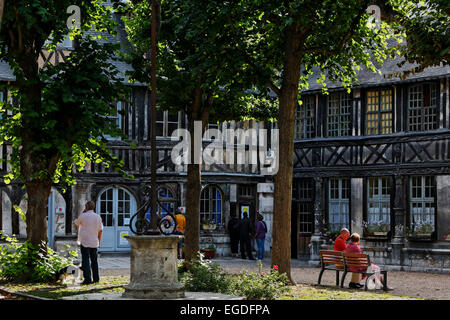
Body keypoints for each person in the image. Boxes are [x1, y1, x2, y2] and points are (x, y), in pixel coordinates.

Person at [74, 201, 103, 285]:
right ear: (94, 207)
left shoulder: (83, 216)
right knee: (94, 261)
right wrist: (99, 241)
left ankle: (87, 279)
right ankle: (96, 278)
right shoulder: (98, 217)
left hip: (85, 241)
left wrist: (82, 213)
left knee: (85, 260)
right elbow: (100, 230)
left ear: (86, 207)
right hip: (94, 242)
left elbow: (76, 222)